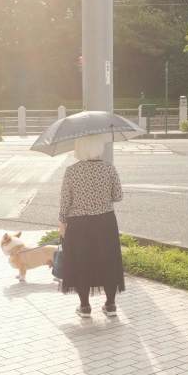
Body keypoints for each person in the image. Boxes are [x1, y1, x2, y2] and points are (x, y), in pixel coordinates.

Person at [59, 134, 124, 318]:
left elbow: (65, 201)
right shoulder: (109, 169)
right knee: (108, 261)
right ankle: (110, 304)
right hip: (105, 222)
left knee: (82, 262)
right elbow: (118, 196)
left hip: (79, 224)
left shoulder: (72, 171)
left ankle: (85, 306)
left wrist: (62, 221)